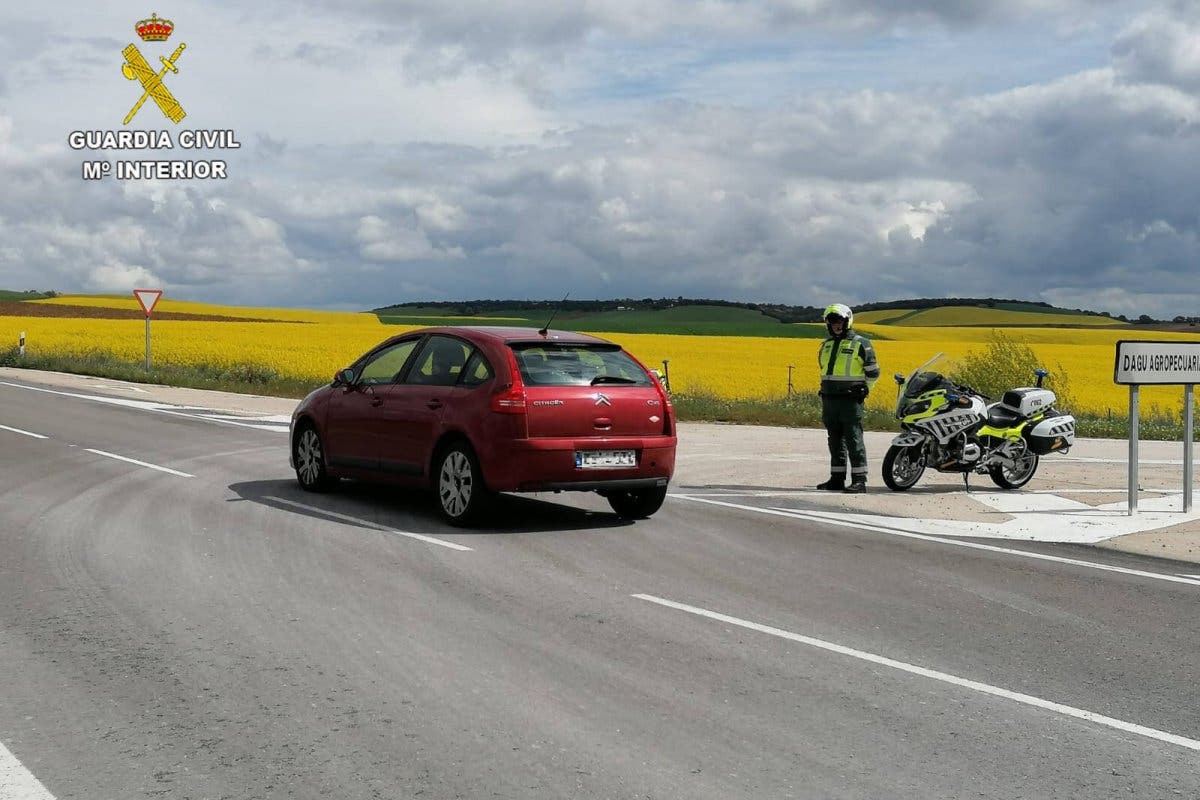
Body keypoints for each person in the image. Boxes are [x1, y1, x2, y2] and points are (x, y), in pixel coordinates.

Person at [816, 303, 879, 493]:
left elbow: (873, 372)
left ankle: (859, 480)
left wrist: (864, 390)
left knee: (853, 439)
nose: (836, 325)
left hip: (850, 401)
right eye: (832, 321)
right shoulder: (825, 345)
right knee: (834, 441)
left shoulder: (861, 343)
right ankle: (836, 479)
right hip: (829, 400)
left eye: (839, 321)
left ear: (847, 321)